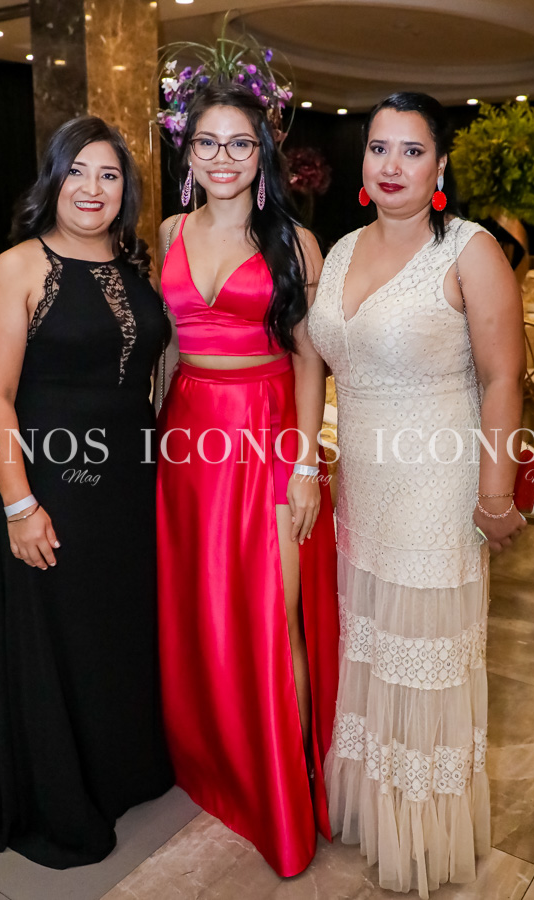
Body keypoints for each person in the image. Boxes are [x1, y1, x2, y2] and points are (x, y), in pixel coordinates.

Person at [308, 92, 526, 897]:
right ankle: (375, 813)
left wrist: (494, 497)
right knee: (370, 649)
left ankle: (422, 837)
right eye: (378, 148)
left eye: (410, 150)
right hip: (361, 489)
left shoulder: (470, 250)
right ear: (362, 162)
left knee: (421, 661)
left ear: (439, 166)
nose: (391, 165)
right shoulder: (340, 250)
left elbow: (503, 378)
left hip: (437, 489)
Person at [0, 116, 173, 868]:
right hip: (49, 487)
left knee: (115, 633)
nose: (92, 188)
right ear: (53, 179)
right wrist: (20, 505)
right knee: (60, 638)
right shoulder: (16, 267)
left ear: (126, 190)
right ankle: (60, 794)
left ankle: (121, 772)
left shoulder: (134, 264)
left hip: (128, 488)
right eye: (77, 171)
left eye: (109, 175)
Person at [156, 81, 340, 878]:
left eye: (238, 142)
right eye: (207, 142)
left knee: (273, 613)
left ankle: (285, 783)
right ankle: (216, 761)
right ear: (187, 152)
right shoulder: (168, 230)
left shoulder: (294, 242)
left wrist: (304, 464)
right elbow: (163, 345)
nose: (222, 157)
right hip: (186, 437)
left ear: (260, 152)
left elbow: (309, 360)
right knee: (201, 608)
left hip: (265, 432)